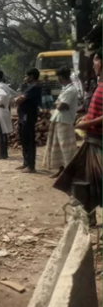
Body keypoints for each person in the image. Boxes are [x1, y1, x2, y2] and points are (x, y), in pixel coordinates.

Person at [54, 50, 102, 226]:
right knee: (84, 180)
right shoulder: (99, 86)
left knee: (91, 180)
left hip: (98, 140)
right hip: (92, 139)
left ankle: (89, 214)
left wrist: (87, 124)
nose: (93, 65)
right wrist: (86, 118)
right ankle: (89, 216)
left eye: (96, 60)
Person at [42, 67, 79, 178]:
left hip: (65, 121)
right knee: (57, 146)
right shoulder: (65, 89)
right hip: (58, 120)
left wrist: (57, 103)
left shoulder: (71, 90)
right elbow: (58, 104)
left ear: (61, 77)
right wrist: (58, 103)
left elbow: (61, 106)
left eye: (58, 77)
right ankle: (61, 169)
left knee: (66, 148)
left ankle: (69, 172)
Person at [14, 68, 42, 173]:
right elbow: (19, 99)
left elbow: (19, 100)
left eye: (26, 76)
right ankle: (26, 162)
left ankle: (31, 165)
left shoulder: (35, 87)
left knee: (29, 140)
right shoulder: (29, 87)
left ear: (32, 76)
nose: (25, 78)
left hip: (28, 116)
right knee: (24, 139)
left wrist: (18, 99)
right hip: (23, 116)